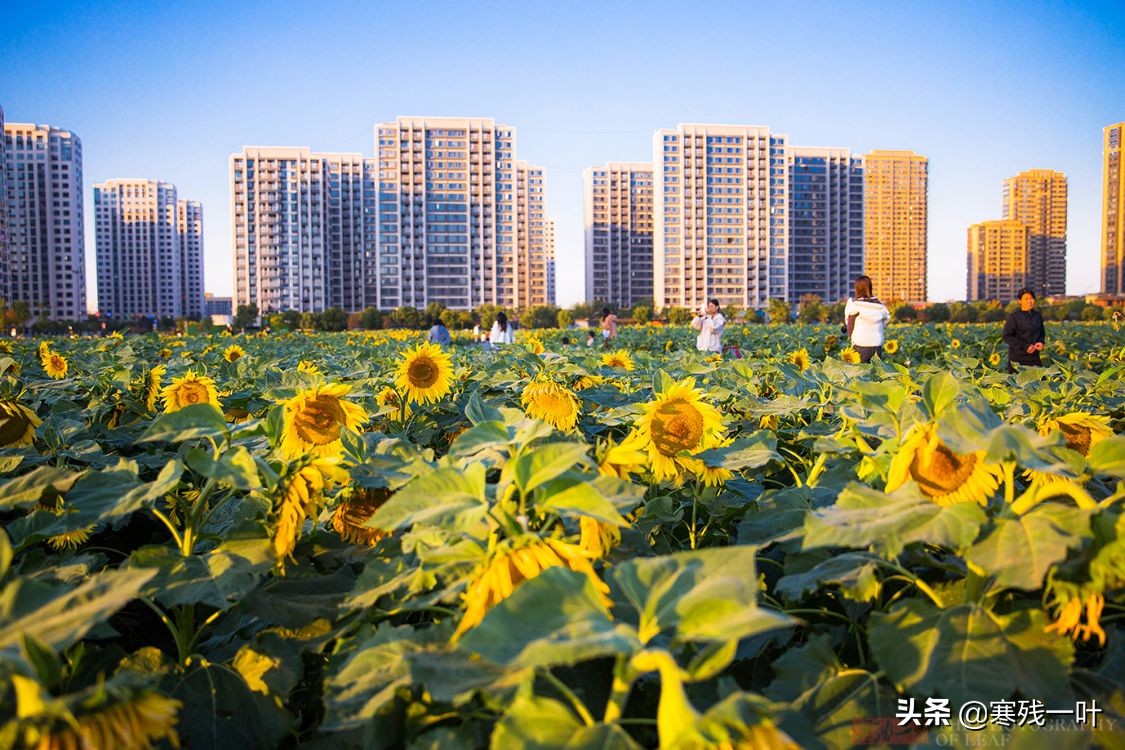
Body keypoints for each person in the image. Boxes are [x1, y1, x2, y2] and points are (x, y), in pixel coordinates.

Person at [845, 275, 890, 363]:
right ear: (870, 287)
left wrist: (850, 337)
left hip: (861, 344)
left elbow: (850, 324)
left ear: (857, 289)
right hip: (877, 345)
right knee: (876, 373)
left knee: (860, 373)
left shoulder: (855, 305)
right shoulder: (879, 306)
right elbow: (886, 320)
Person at [1002, 287, 1045, 373]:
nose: (1030, 301)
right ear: (1019, 301)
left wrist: (1041, 342)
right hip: (1018, 359)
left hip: (1034, 357)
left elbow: (1041, 333)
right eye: (1026, 299)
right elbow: (1007, 336)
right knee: (1018, 384)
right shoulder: (1014, 317)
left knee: (1039, 382)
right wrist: (1025, 346)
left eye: (1032, 298)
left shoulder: (1037, 316)